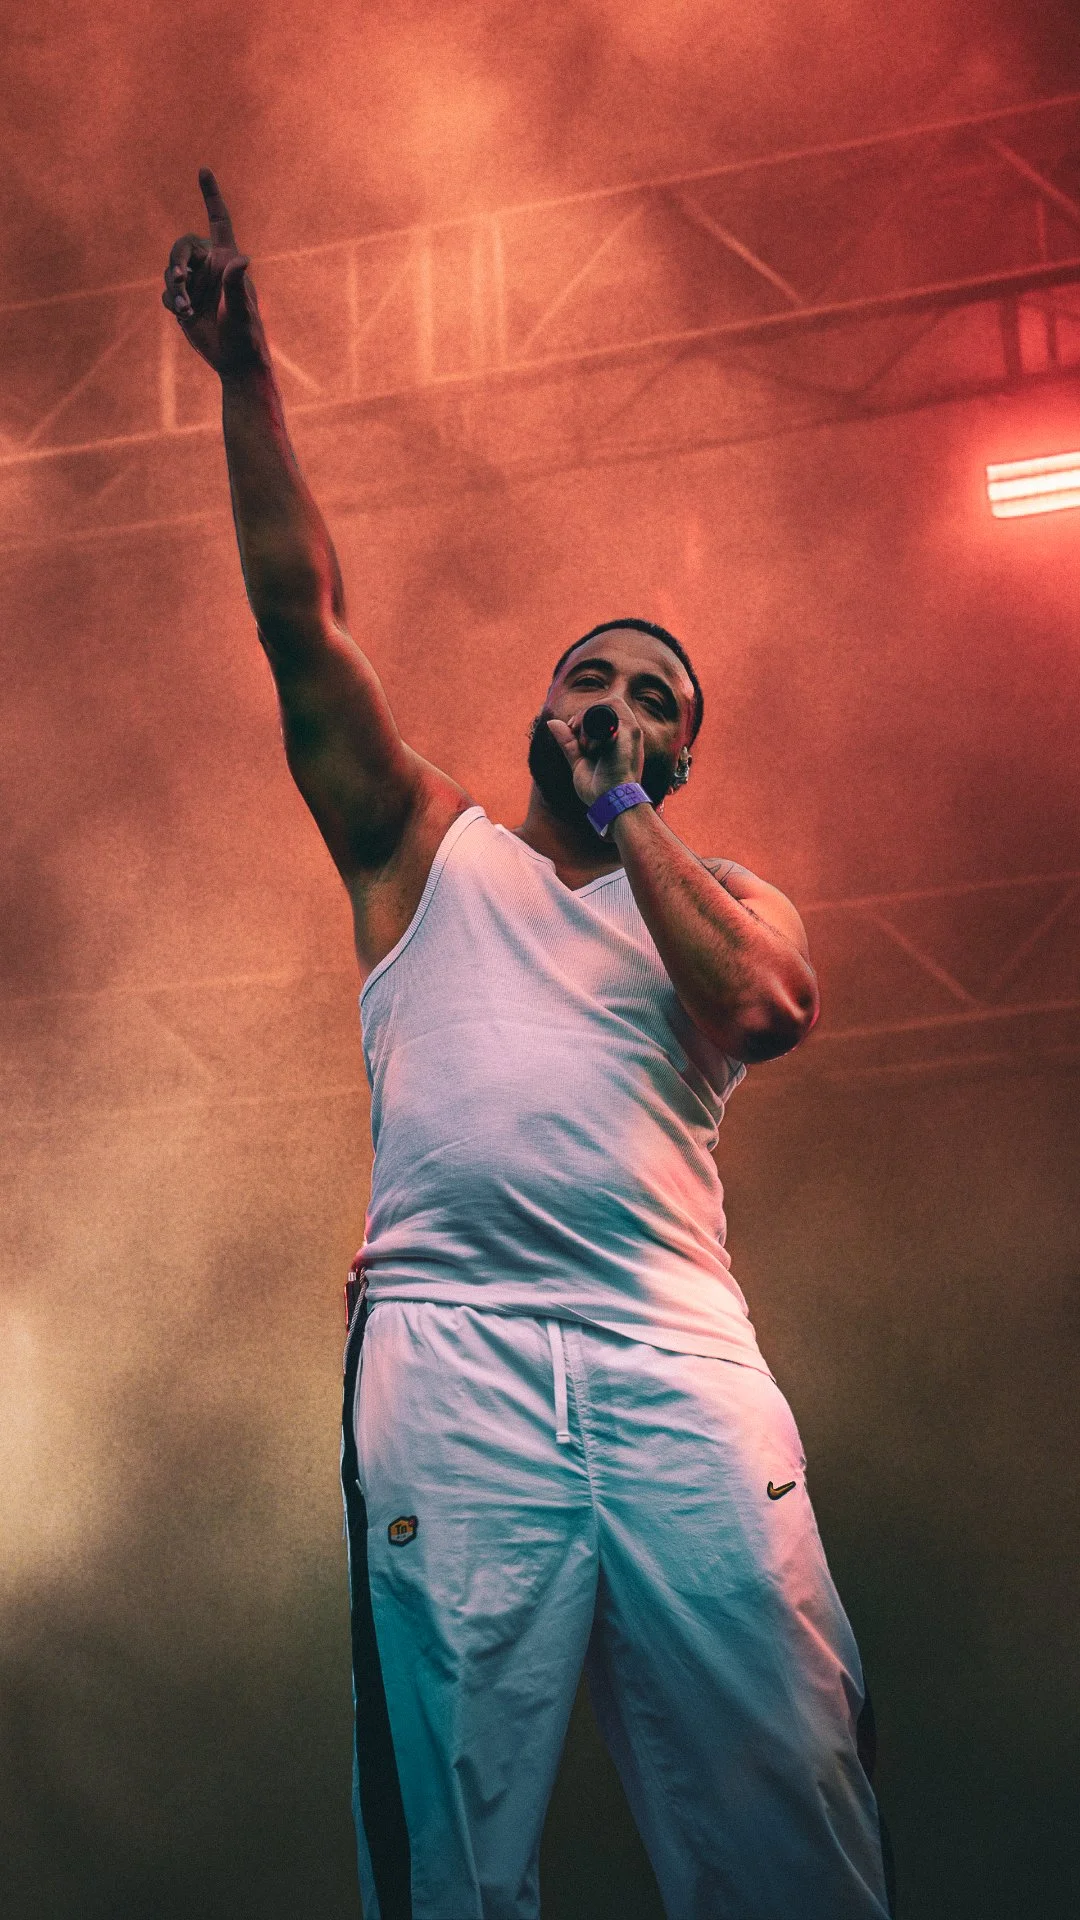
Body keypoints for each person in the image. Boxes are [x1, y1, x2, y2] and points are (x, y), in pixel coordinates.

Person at [164, 171, 895, 1920]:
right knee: (457, 1797)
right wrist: (248, 378)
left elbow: (762, 1012)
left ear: (682, 762)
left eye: (656, 703)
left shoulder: (723, 894)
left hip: (676, 1363)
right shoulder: (431, 847)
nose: (617, 710)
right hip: (455, 1351)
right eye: (594, 682)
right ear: (538, 703)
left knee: (784, 1766)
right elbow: (299, 623)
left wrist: (630, 810)